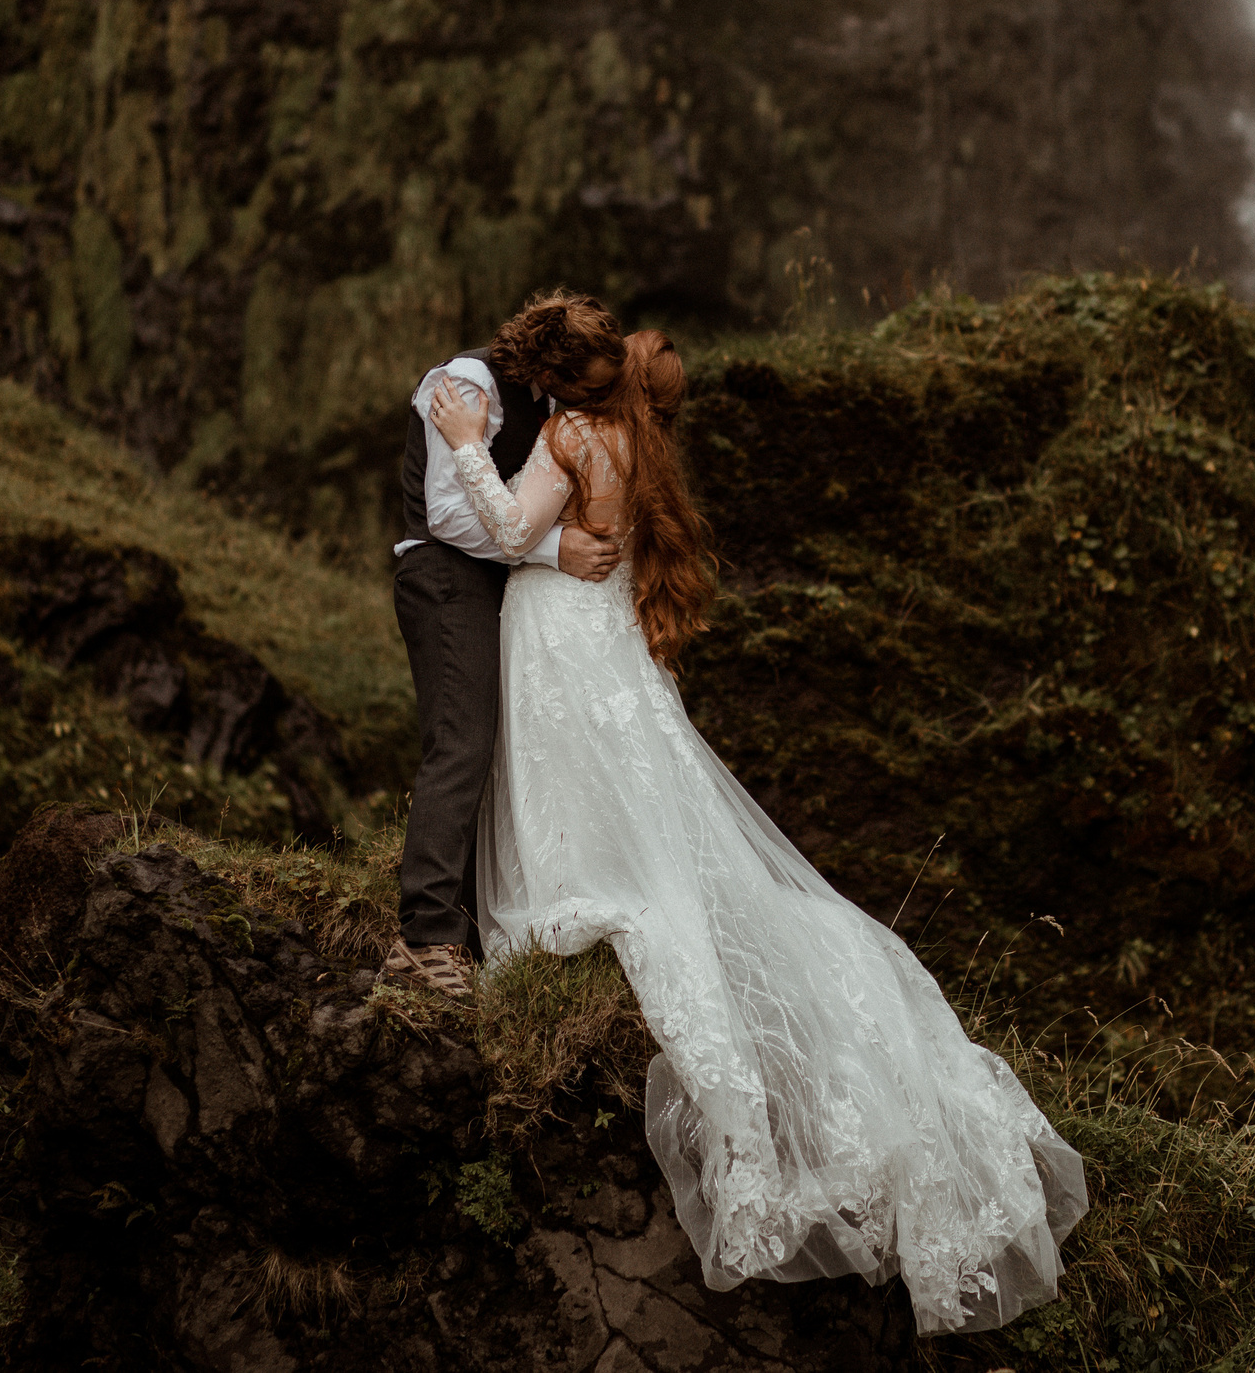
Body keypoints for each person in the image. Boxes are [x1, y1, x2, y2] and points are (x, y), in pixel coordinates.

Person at [426, 305, 1088, 1335]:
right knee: (639, 787)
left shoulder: (566, 435)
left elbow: (512, 533)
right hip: (605, 638)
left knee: (576, 781)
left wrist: (470, 447)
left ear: (563, 385)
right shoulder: (640, 441)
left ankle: (564, 895)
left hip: (560, 630)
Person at [382, 293, 631, 998]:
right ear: (555, 365)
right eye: (588, 384)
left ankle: (457, 927)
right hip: (444, 578)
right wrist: (557, 549)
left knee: (491, 745)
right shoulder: (462, 387)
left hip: (497, 582)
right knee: (461, 742)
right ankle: (425, 938)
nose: (597, 398)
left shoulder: (547, 403)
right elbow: (450, 517)